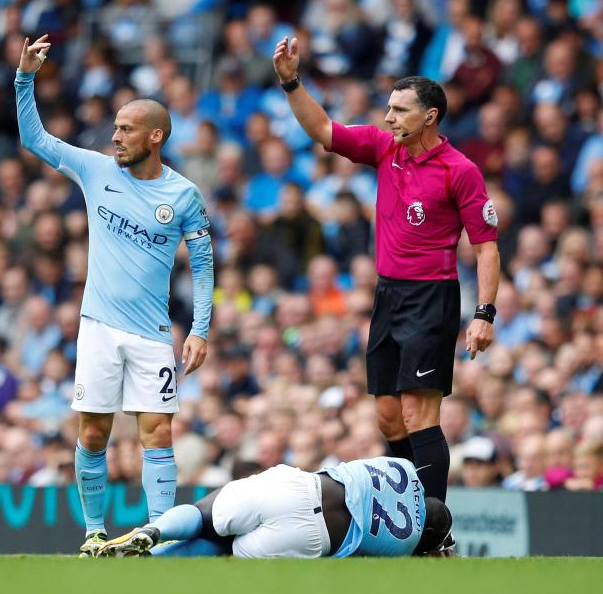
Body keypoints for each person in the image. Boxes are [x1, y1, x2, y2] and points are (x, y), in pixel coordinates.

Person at [272, 38, 500, 504]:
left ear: (429, 117)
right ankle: (408, 508)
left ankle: (433, 527)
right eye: (388, 108)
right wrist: (291, 81)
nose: (388, 117)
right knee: (389, 419)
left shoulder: (461, 170)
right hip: (388, 294)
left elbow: (487, 248)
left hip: (432, 296)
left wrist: (484, 313)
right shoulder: (382, 148)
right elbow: (322, 129)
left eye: (399, 110)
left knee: (419, 414)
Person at [15, 35, 214, 556]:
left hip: (151, 333)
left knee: (157, 434)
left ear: (156, 135)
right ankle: (94, 532)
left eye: (126, 129)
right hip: (98, 326)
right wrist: (25, 77)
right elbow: (35, 138)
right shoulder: (96, 170)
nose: (115, 136)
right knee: (94, 433)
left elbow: (203, 263)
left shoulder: (183, 195)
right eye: (115, 127)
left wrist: (199, 328)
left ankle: (160, 535)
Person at [97, 456, 452, 559]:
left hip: (299, 487)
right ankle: (151, 563)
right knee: (223, 545)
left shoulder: (403, 467)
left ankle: (152, 532)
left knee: (207, 514)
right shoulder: (405, 545)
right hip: (313, 538)